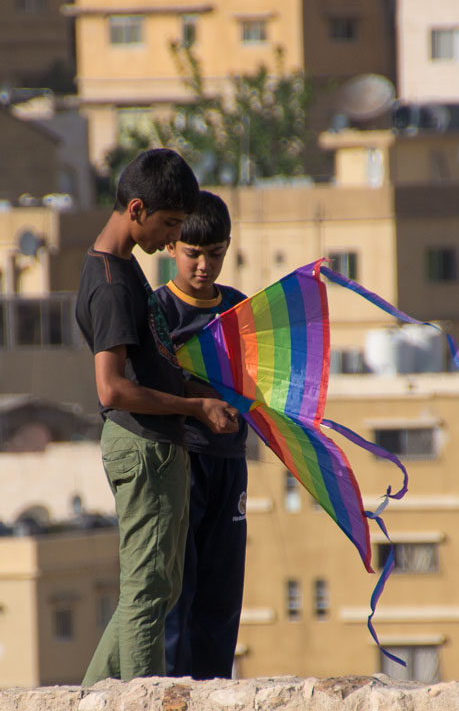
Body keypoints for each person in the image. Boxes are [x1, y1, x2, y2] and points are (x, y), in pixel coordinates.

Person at [75, 149, 239, 686]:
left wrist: (200, 396)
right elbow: (114, 387)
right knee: (150, 596)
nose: (166, 238)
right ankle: (143, 699)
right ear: (138, 209)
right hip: (143, 446)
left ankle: (91, 698)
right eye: (168, 224)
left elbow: (155, 366)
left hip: (157, 446)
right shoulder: (112, 281)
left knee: (154, 589)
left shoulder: (123, 269)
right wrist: (193, 407)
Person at [155, 190, 248, 679]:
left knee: (223, 591)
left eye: (215, 253)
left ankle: (215, 690)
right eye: (194, 253)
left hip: (231, 464)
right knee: (178, 592)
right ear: (172, 248)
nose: (204, 266)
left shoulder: (240, 312)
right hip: (182, 462)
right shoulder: (158, 313)